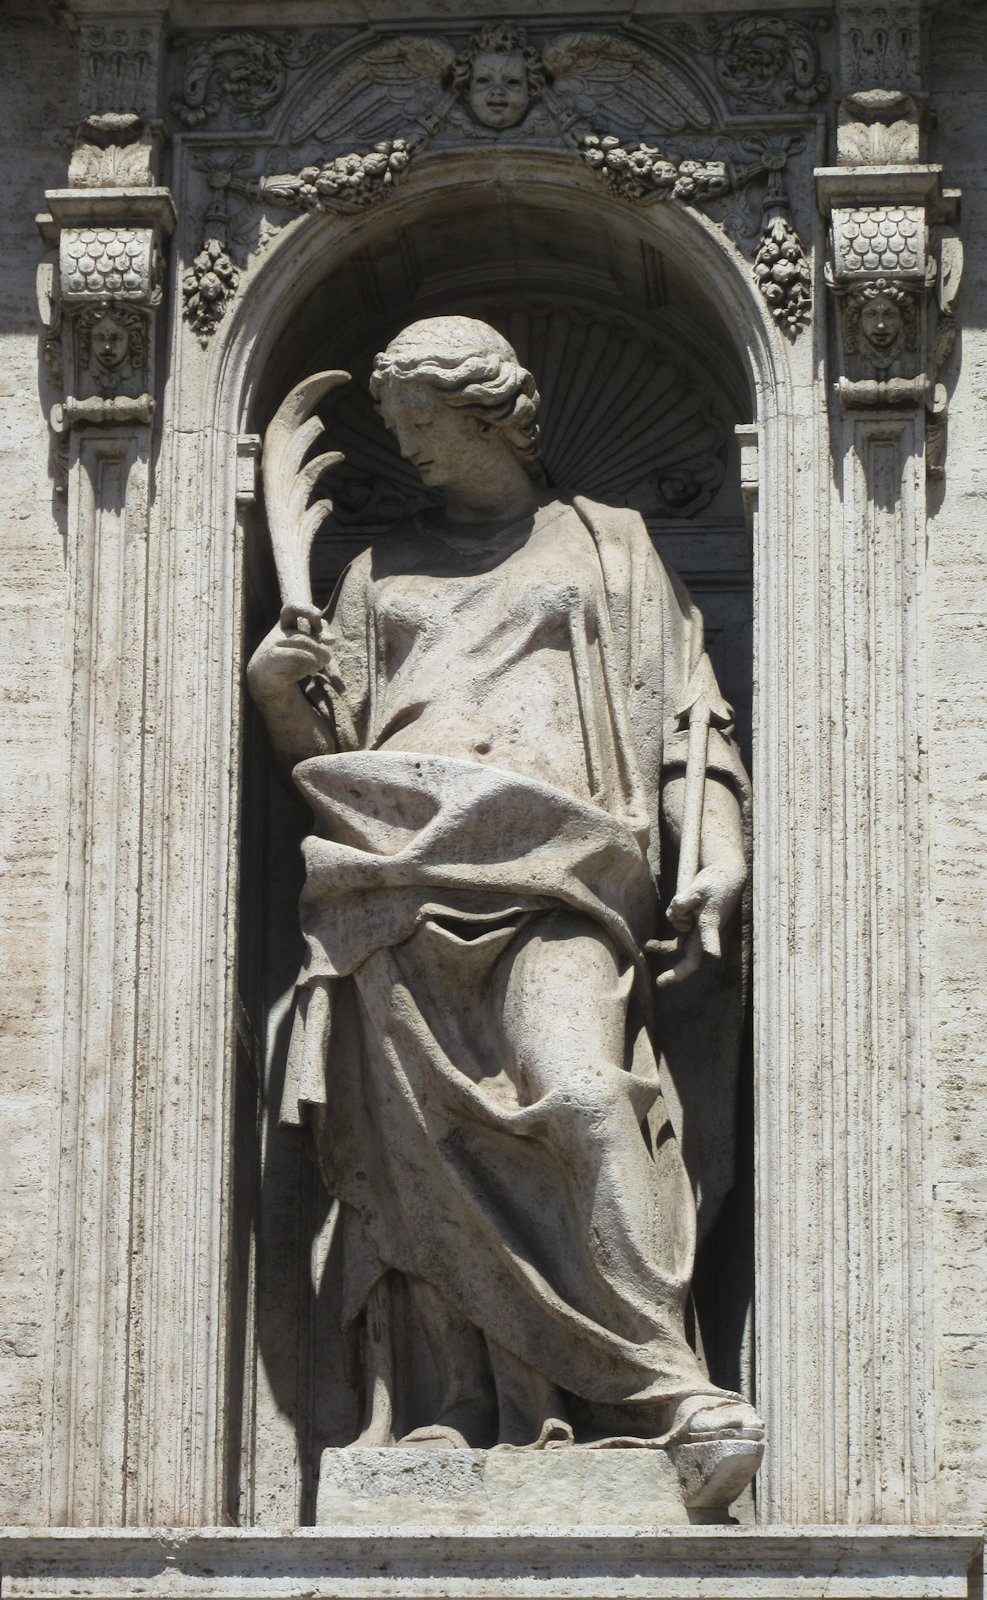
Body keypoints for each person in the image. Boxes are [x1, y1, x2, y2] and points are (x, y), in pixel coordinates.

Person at [247, 316, 763, 1480]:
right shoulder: (375, 574)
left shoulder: (610, 545)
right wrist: (278, 695)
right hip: (392, 879)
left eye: (424, 423)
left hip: (561, 870)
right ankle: (459, 1411)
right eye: (397, 429)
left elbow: (693, 718)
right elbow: (328, 749)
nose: (411, 448)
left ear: (491, 414)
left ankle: (667, 1386)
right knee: (420, 1153)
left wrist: (717, 847)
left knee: (583, 1097)